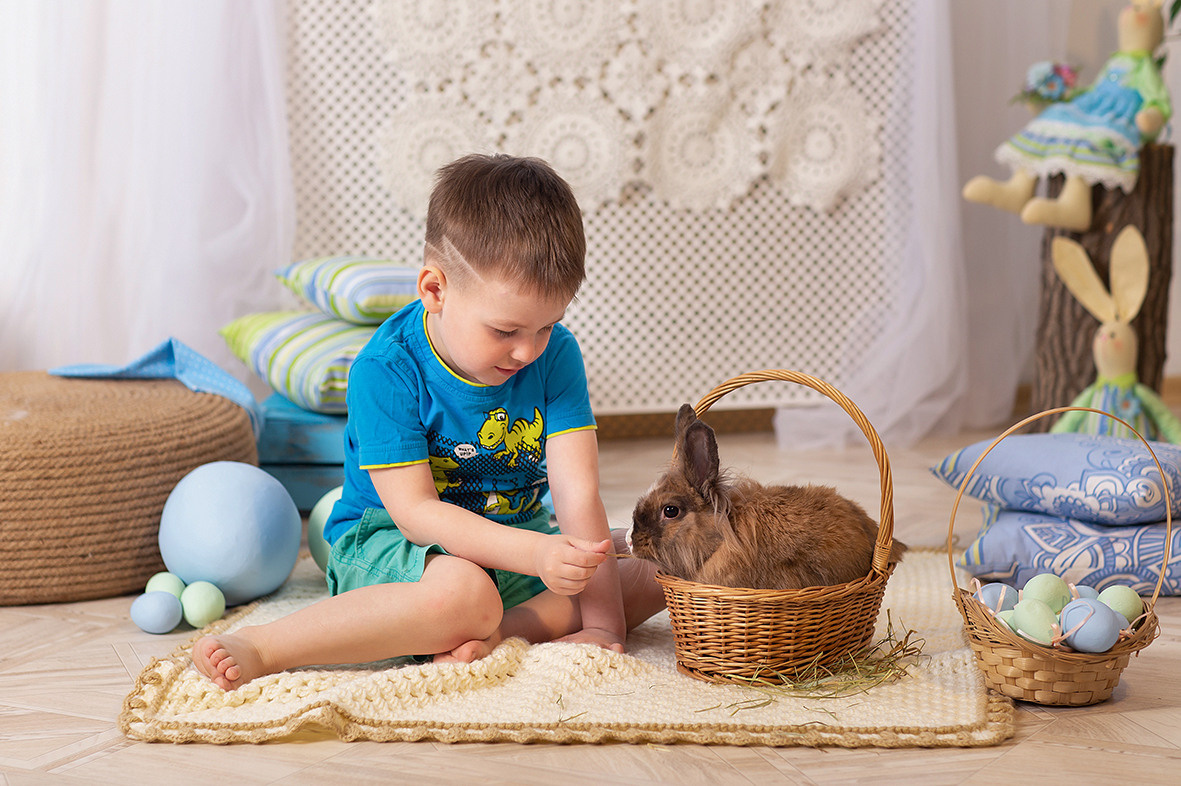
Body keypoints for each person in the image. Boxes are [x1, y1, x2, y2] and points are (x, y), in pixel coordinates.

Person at [193, 154, 666, 690]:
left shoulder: (555, 354)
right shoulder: (386, 369)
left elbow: (578, 495)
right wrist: (539, 555)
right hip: (395, 549)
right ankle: (264, 645)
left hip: (514, 539)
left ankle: (489, 635)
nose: (529, 351)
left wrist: (602, 624)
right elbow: (417, 514)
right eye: (506, 330)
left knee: (665, 563)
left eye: (548, 326)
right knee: (464, 594)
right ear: (434, 290)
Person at [962, 0, 1170, 231]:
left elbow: (1157, 99)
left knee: (1090, 141)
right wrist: (1069, 97)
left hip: (1114, 118)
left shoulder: (1145, 68)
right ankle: (1019, 187)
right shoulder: (1115, 61)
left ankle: (1075, 205)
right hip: (1090, 107)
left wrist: (1151, 117)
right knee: (1054, 119)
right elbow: (1094, 90)